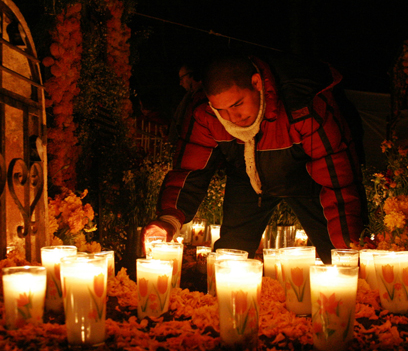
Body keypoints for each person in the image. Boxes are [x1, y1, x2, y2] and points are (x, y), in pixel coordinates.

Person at [143, 51, 367, 263]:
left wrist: (349, 249)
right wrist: (167, 221)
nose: (233, 117)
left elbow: (338, 180)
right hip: (246, 179)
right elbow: (190, 170)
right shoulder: (206, 114)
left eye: (237, 104)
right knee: (230, 256)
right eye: (222, 110)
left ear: (257, 83)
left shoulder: (303, 107)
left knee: (337, 253)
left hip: (307, 180)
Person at [168, 63, 202, 145]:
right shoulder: (189, 97)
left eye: (182, 78)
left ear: (191, 75)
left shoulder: (201, 97)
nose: (180, 83)